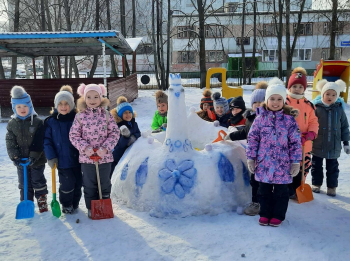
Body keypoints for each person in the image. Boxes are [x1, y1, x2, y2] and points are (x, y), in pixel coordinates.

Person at [246, 78, 302, 227]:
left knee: (281, 193)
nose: (275, 102)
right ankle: (264, 214)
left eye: (279, 99)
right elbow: (252, 139)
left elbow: (296, 142)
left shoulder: (289, 121)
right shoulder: (260, 119)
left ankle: (278, 215)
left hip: (283, 165)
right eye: (272, 99)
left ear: (284, 101)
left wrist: (296, 162)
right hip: (264, 163)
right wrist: (251, 158)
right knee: (263, 191)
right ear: (267, 100)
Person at [69, 83, 119, 218]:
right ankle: (92, 207)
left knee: (104, 183)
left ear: (101, 98)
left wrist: (105, 148)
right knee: (89, 184)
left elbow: (114, 133)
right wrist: (85, 148)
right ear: (84, 98)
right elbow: (74, 135)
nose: (92, 100)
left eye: (96, 96)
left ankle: (105, 205)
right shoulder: (80, 117)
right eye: (89, 97)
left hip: (105, 158)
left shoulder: (107, 115)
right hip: (87, 158)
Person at [225, 81, 268, 216]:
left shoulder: (269, 119)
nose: (258, 105)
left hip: (267, 157)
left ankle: (267, 203)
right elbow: (245, 133)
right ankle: (256, 203)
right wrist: (231, 136)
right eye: (255, 103)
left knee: (266, 182)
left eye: (261, 102)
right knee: (254, 180)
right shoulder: (250, 118)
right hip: (253, 156)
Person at [6, 86, 48, 213]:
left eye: (24, 106)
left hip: (37, 161)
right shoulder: (12, 124)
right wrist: (15, 156)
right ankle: (26, 203)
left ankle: (42, 202)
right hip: (21, 161)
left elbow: (40, 142)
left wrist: (34, 156)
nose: (22, 109)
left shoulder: (38, 122)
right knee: (24, 184)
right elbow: (10, 142)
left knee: (38, 181)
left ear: (30, 106)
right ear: (14, 108)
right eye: (18, 107)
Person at [44, 85, 81, 214]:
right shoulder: (51, 122)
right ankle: (66, 204)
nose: (63, 106)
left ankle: (75, 203)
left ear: (71, 105)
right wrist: (51, 156)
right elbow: (47, 141)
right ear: (56, 105)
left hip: (78, 159)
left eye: (66, 103)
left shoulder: (77, 119)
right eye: (60, 104)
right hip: (62, 161)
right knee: (67, 184)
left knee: (78, 184)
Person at [311, 79, 350, 197]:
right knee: (316, 166)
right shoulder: (316, 108)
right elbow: (311, 125)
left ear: (337, 96)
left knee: (332, 168)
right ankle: (316, 184)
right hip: (318, 143)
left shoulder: (339, 109)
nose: (330, 97)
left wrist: (346, 143)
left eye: (333, 95)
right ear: (322, 94)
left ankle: (332, 187)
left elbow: (344, 127)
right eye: (327, 94)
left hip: (334, 145)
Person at [286, 67, 319, 199]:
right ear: (289, 87)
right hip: (288, 145)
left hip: (305, 144)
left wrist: (311, 133)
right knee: (289, 167)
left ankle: (299, 187)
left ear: (304, 88)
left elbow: (313, 121)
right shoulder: (284, 103)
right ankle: (287, 189)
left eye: (300, 86)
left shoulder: (309, 105)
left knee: (304, 167)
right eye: (294, 86)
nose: (297, 89)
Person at [110, 96, 141, 178]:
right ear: (120, 115)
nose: (128, 115)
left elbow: (138, 133)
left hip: (130, 153)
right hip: (119, 155)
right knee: (115, 174)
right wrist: (126, 137)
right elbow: (119, 144)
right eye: (125, 113)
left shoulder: (134, 123)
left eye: (129, 112)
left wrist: (134, 137)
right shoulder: (117, 127)